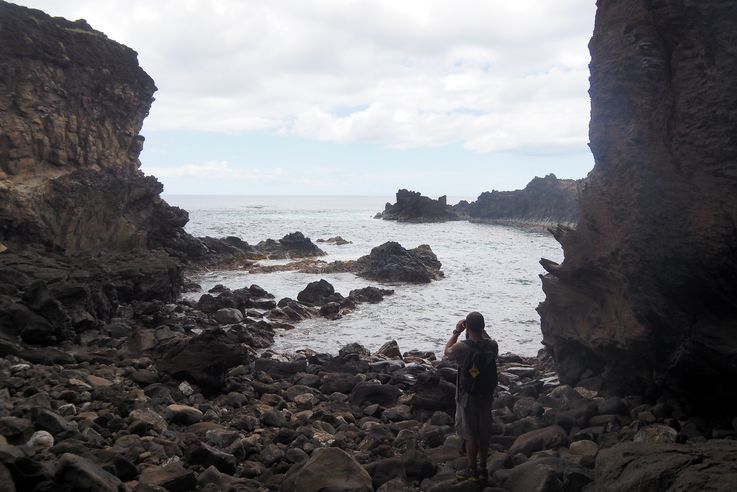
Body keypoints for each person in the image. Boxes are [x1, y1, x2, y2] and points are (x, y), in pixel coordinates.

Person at [444, 311, 499, 482]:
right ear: (483, 327)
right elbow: (487, 340)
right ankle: (483, 468)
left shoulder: (462, 347)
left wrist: (456, 332)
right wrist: (479, 329)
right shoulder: (492, 346)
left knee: (469, 433)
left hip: (467, 396)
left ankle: (471, 469)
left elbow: (447, 351)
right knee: (484, 432)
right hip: (486, 394)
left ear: (467, 327)